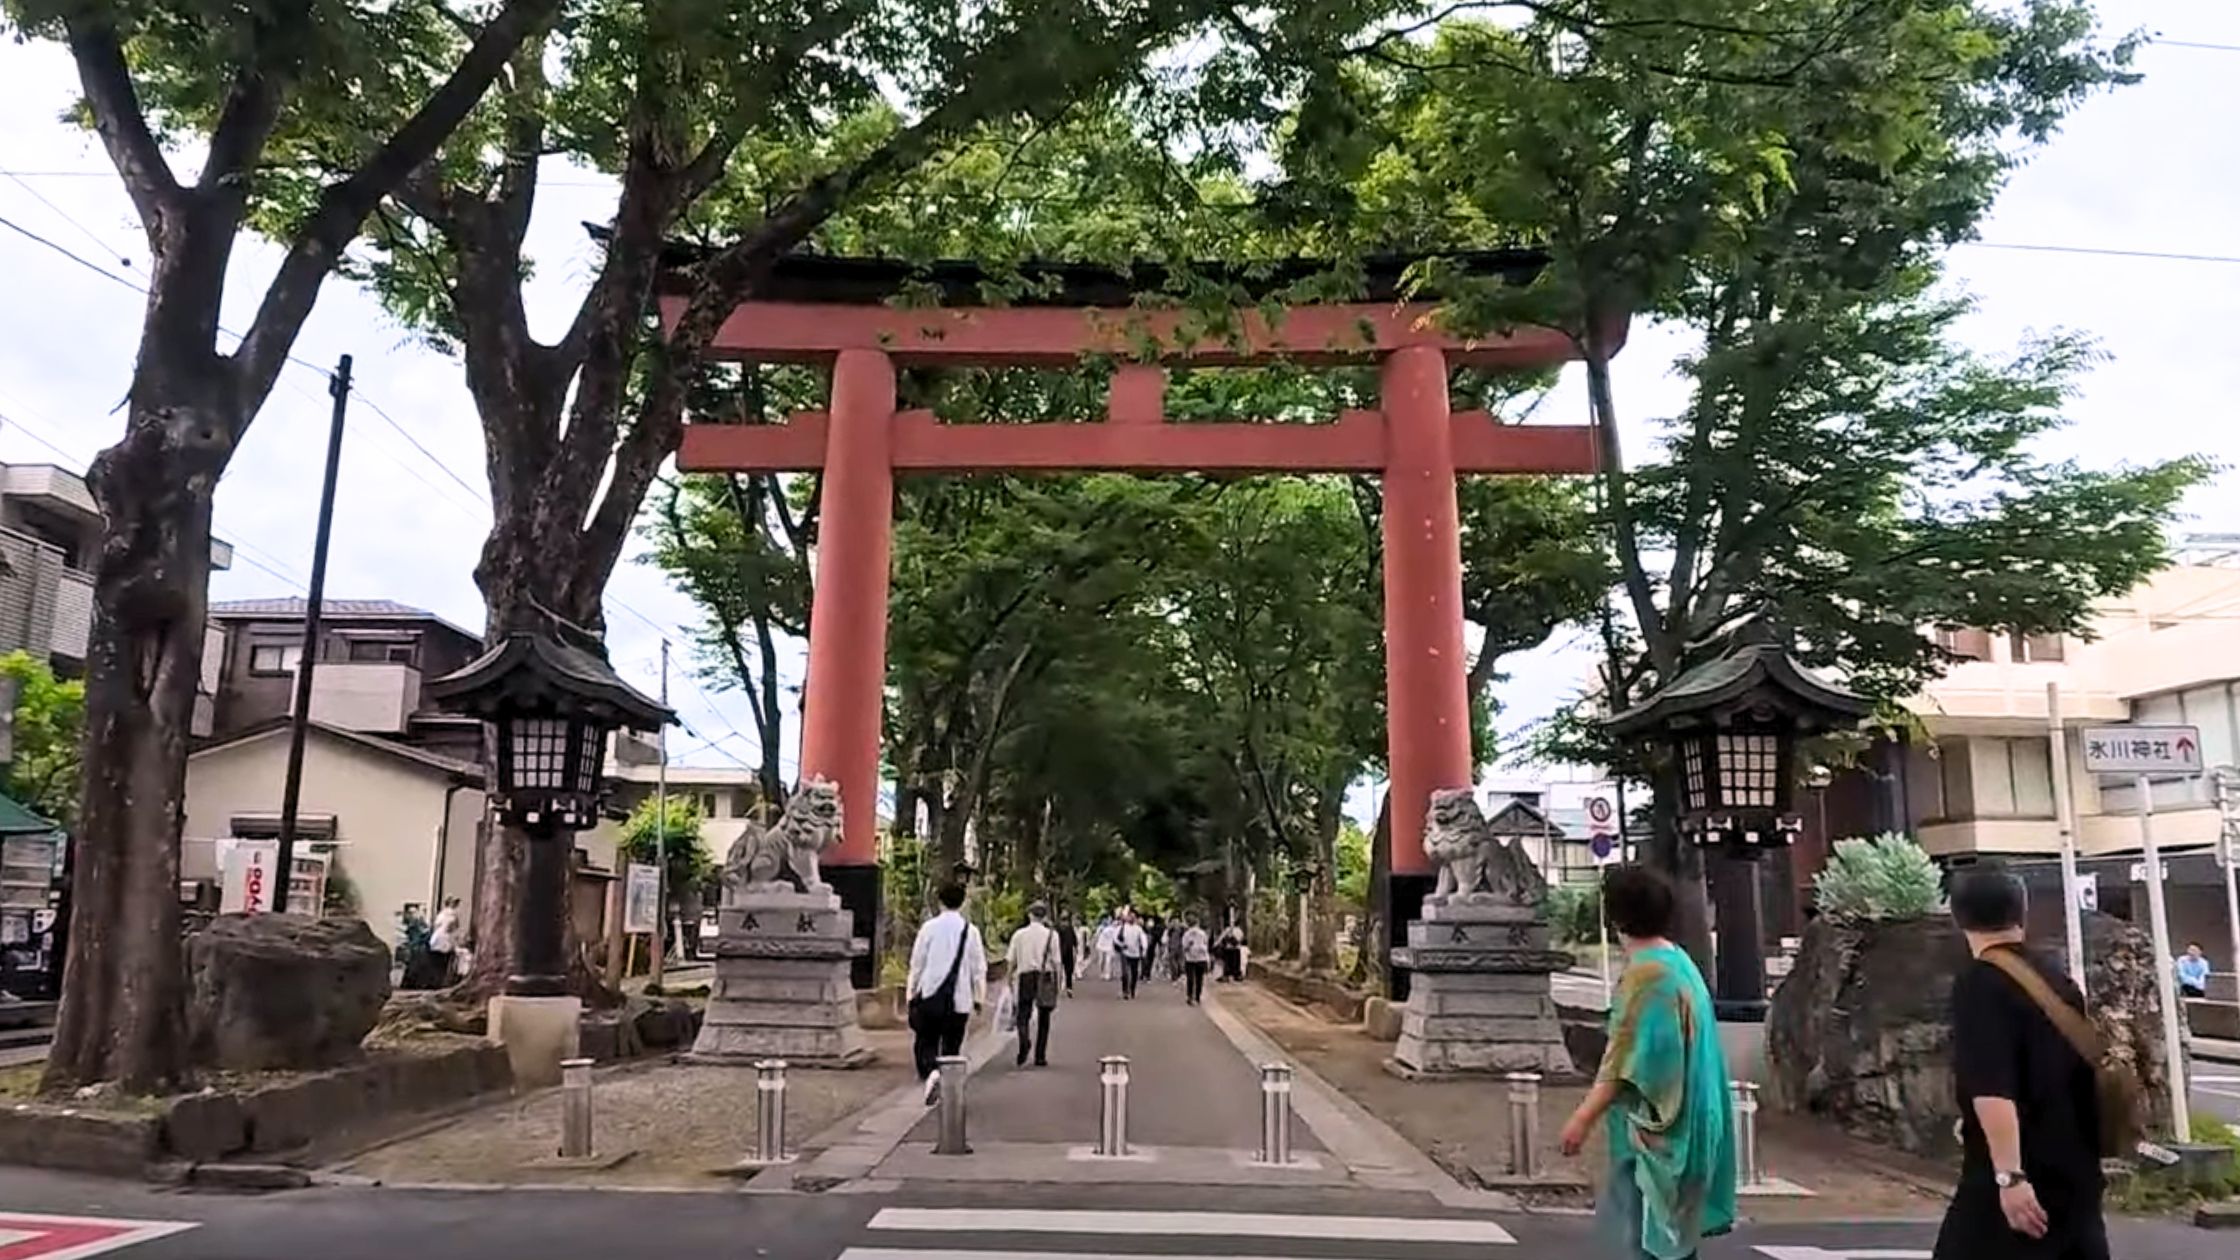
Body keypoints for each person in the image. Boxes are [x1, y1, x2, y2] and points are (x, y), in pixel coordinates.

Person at [1932, 864, 2108, 1260]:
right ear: (2021, 912)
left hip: (2018, 1179)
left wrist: (2010, 1177)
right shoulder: (2056, 980)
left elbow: (1992, 1087)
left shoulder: (1979, 983)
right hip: (2077, 1175)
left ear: (1958, 916)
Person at [1560, 865, 1736, 1260]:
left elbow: (1624, 1062)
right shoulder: (1680, 963)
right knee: (1673, 1240)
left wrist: (1581, 1119)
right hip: (1698, 1122)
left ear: (1615, 916)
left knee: (1643, 1242)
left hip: (1657, 1138)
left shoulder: (1647, 977)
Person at [906, 882, 987, 1104]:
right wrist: (979, 997)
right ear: (962, 902)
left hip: (930, 995)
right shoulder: (971, 932)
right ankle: (946, 1083)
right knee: (952, 1045)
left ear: (939, 901)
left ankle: (930, 1073)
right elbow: (979, 968)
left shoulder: (928, 928)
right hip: (959, 1000)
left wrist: (911, 993)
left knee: (926, 1040)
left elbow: (917, 964)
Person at [1007, 901, 1063, 1067]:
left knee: (1022, 1014)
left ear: (1030, 915)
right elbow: (1057, 962)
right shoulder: (1052, 935)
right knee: (1044, 1017)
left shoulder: (1019, 935)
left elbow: (1011, 960)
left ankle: (1024, 1040)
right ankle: (1040, 1055)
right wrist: (1058, 982)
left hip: (1026, 976)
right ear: (1044, 916)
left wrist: (1009, 979)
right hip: (1045, 976)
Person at [1117, 910, 1150, 998]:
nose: (1131, 918)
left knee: (1134, 973)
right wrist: (1122, 945)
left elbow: (1143, 939)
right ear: (1127, 918)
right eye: (1129, 916)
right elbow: (1116, 938)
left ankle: (1132, 989)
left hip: (1135, 954)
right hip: (1125, 953)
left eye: (1133, 917)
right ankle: (1125, 991)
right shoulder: (1122, 927)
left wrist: (1144, 950)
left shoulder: (1138, 929)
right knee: (1125, 973)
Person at [1181, 913, 1212, 1005]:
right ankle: (1197, 997)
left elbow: (1184, 947)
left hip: (1191, 958)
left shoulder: (1187, 934)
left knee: (1191, 978)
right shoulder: (1202, 934)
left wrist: (1189, 946)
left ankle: (1191, 996)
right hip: (1200, 958)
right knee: (1199, 978)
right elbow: (1206, 945)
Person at [429, 897, 461, 983]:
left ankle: (436, 980)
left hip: (436, 939)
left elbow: (436, 925)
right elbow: (453, 928)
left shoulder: (441, 914)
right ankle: (443, 980)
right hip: (445, 940)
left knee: (437, 962)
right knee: (445, 961)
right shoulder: (452, 915)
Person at [1056, 913, 1080, 996]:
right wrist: (1076, 947)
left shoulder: (1057, 928)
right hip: (1067, 952)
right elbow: (1074, 939)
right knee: (1068, 971)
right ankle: (1068, 988)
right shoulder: (1069, 928)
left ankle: (1061, 988)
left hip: (1060, 952)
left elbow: (1074, 939)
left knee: (1061, 971)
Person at [1095, 916, 1119, 981]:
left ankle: (1107, 974)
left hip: (1108, 946)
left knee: (1108, 961)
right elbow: (1097, 936)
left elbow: (1115, 939)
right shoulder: (1102, 928)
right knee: (1103, 961)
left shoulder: (1112, 929)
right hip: (1103, 946)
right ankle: (1103, 973)